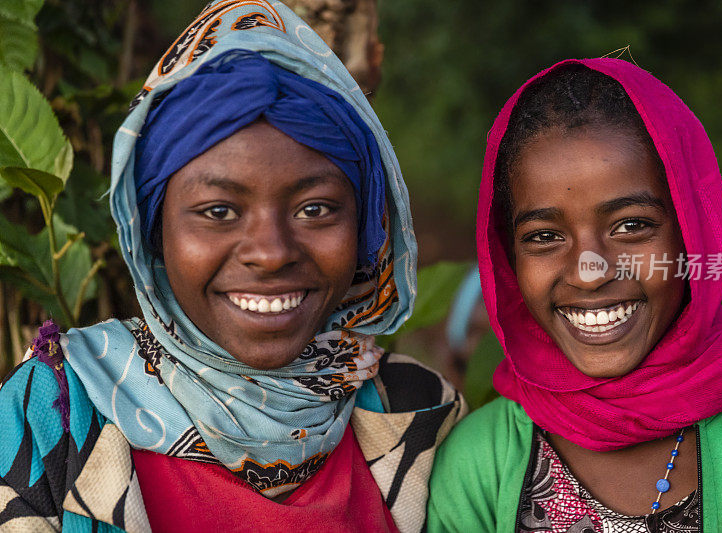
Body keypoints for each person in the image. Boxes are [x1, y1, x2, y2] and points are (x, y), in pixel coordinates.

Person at [0, 2, 465, 531]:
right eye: (218, 211)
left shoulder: (420, 414)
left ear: (365, 230)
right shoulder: (57, 411)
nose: (270, 253)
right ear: (152, 233)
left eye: (315, 209)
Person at [427, 59, 722, 532]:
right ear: (508, 257)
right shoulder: (476, 466)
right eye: (544, 236)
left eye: (631, 226)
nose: (589, 273)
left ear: (692, 233)